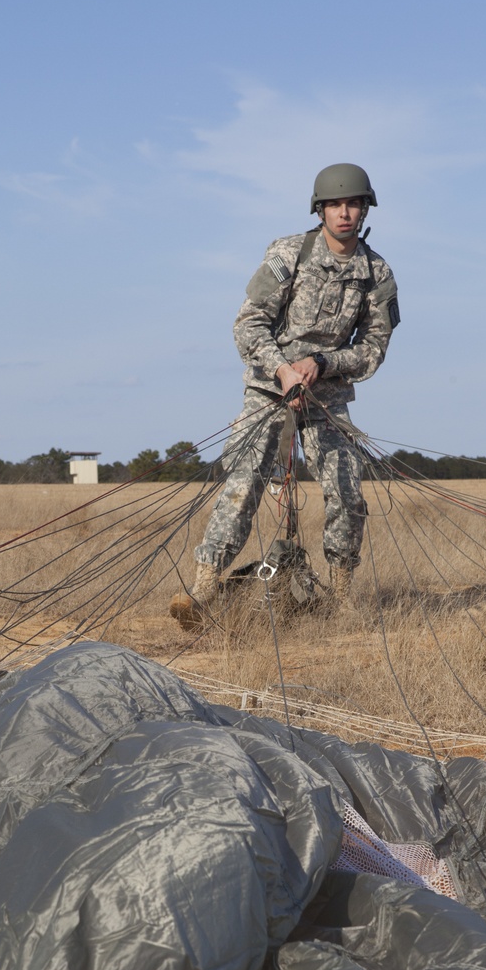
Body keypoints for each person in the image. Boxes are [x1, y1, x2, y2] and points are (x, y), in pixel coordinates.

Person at [171, 163, 399, 626]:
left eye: (353, 203)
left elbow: (373, 350)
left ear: (365, 208)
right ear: (320, 210)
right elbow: (248, 323)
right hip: (268, 390)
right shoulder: (289, 253)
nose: (344, 213)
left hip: (327, 399)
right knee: (242, 483)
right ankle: (202, 592)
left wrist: (323, 365)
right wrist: (282, 370)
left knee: (347, 491)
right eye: (335, 204)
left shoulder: (377, 273)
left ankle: (339, 599)